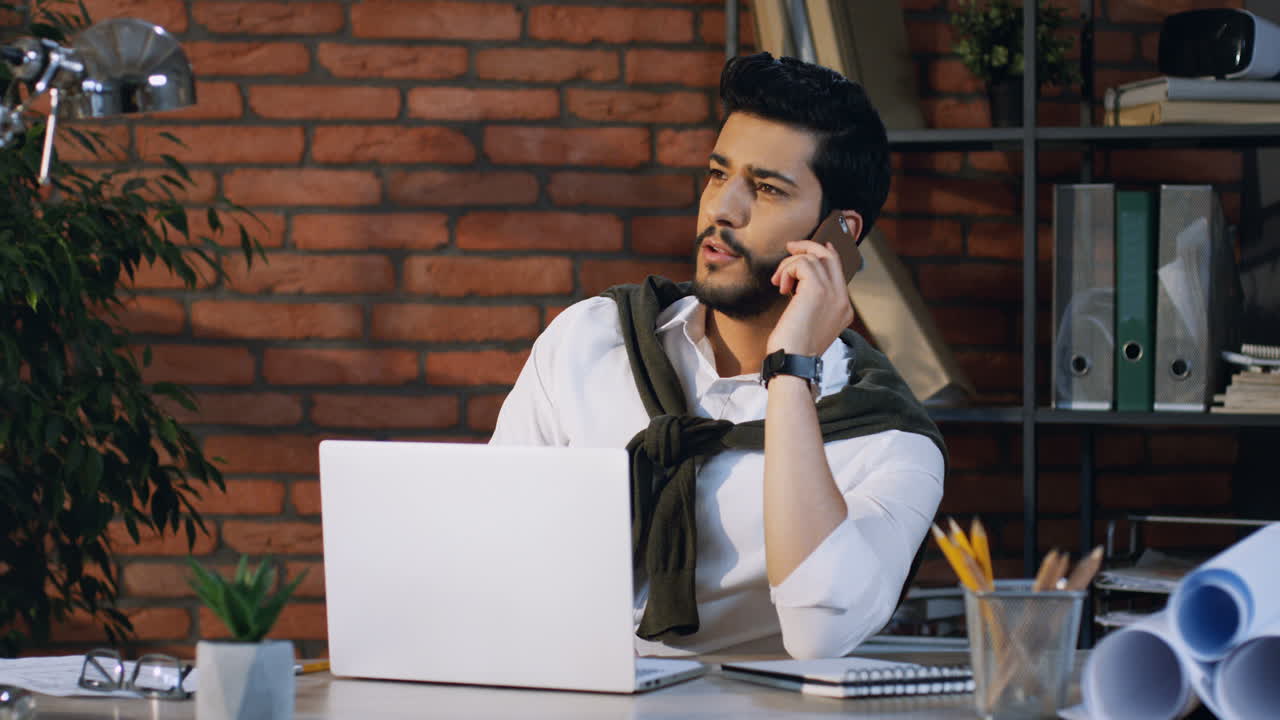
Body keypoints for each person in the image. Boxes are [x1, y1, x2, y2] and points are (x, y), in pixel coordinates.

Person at [490, 52, 945, 659]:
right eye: (716, 174)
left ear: (839, 235)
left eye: (765, 188)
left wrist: (790, 371)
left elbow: (820, 632)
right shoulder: (588, 340)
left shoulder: (891, 441)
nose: (721, 210)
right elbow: (490, 554)